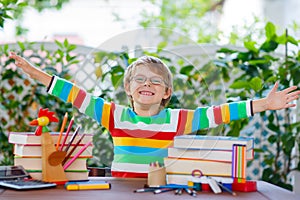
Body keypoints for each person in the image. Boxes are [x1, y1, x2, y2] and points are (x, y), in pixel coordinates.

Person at [9, 52, 300, 178]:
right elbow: (75, 94)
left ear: (166, 93)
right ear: (127, 88)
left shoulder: (177, 120)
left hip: (161, 190)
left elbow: (218, 113)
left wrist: (262, 104)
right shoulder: (114, 115)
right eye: (139, 79)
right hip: (120, 189)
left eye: (155, 80)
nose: (147, 83)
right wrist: (37, 74)